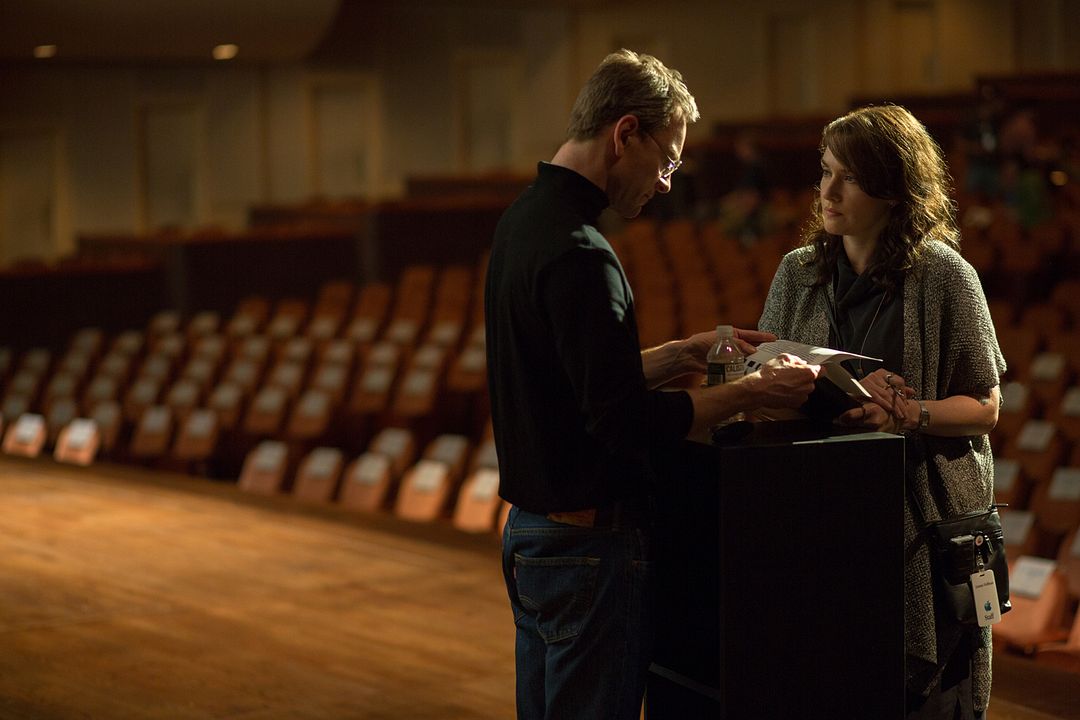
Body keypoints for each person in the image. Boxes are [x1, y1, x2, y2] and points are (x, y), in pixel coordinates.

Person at [484, 49, 820, 720]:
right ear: (625, 133)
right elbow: (623, 424)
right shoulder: (582, 252)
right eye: (666, 161)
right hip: (586, 547)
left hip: (531, 536)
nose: (667, 183)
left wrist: (681, 354)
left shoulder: (523, 223)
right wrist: (752, 394)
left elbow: (573, 385)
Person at [758, 104, 1006, 719]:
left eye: (850, 176)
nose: (829, 191)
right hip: (824, 517)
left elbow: (985, 407)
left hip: (922, 526)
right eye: (824, 172)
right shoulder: (799, 272)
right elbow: (766, 377)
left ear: (894, 188)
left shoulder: (947, 275)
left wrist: (904, 415)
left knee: (920, 699)